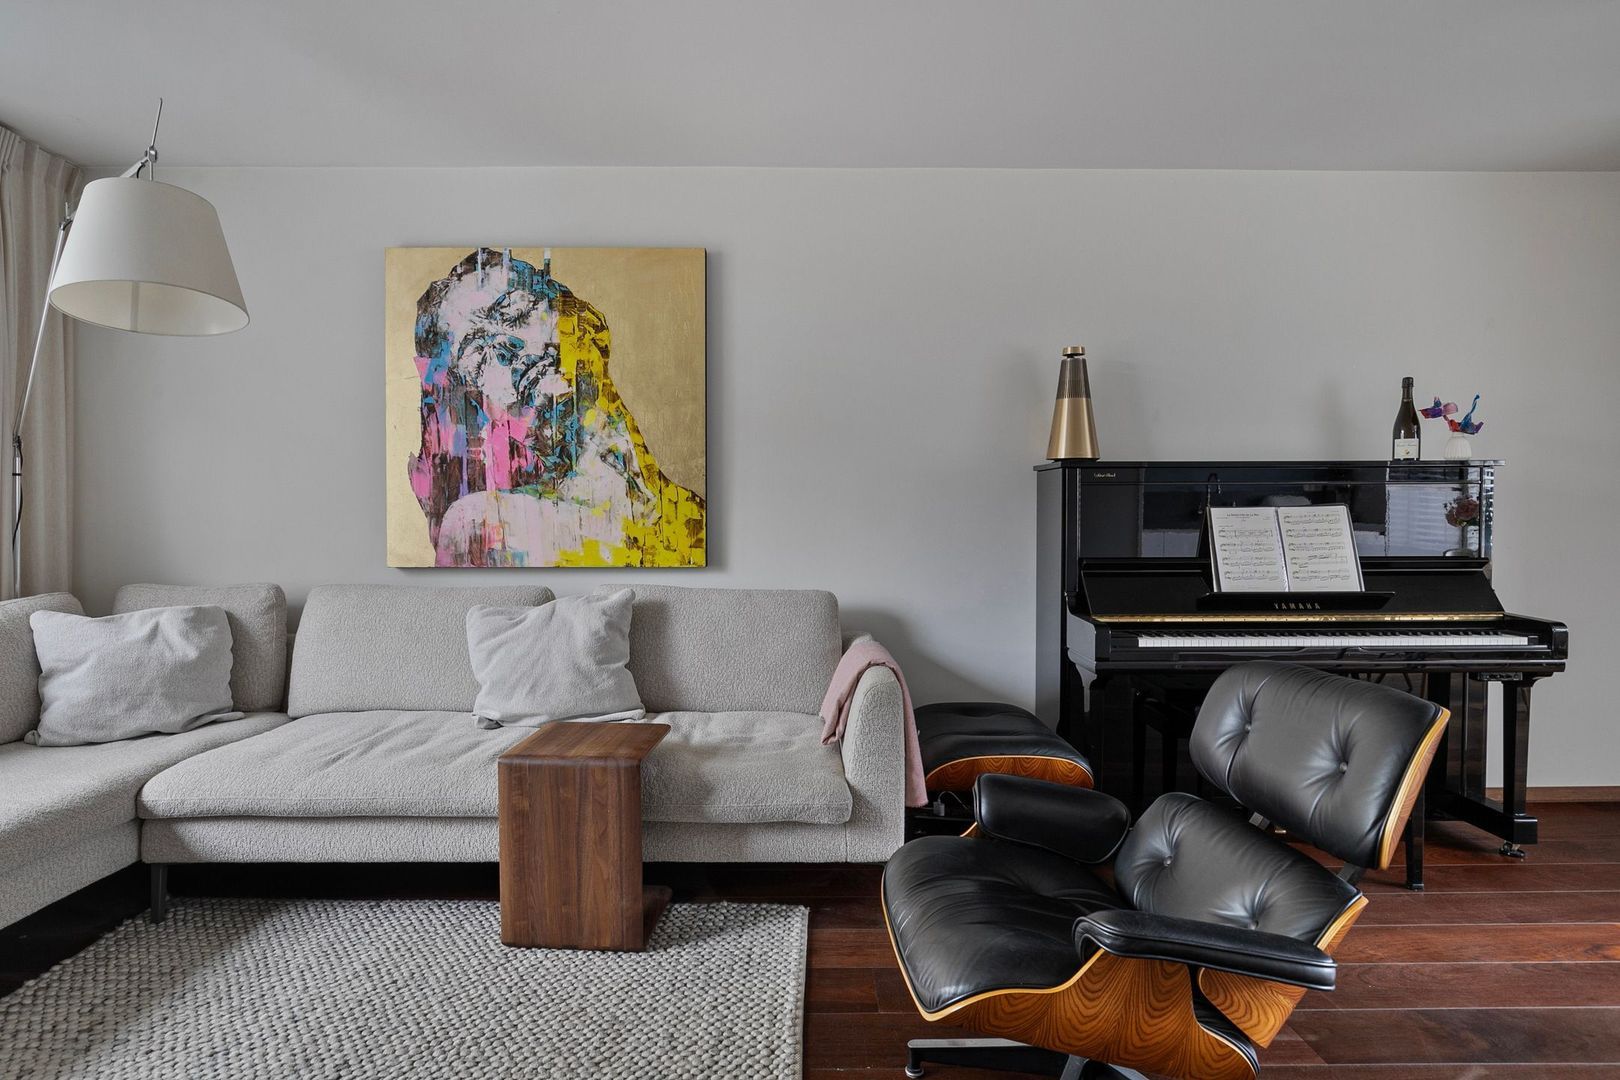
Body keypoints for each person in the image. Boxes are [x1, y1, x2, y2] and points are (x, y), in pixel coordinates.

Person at [408, 247, 704, 566]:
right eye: (477, 355)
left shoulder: (696, 522)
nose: (506, 347)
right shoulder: (484, 528)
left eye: (515, 311)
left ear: (584, 322)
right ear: (484, 406)